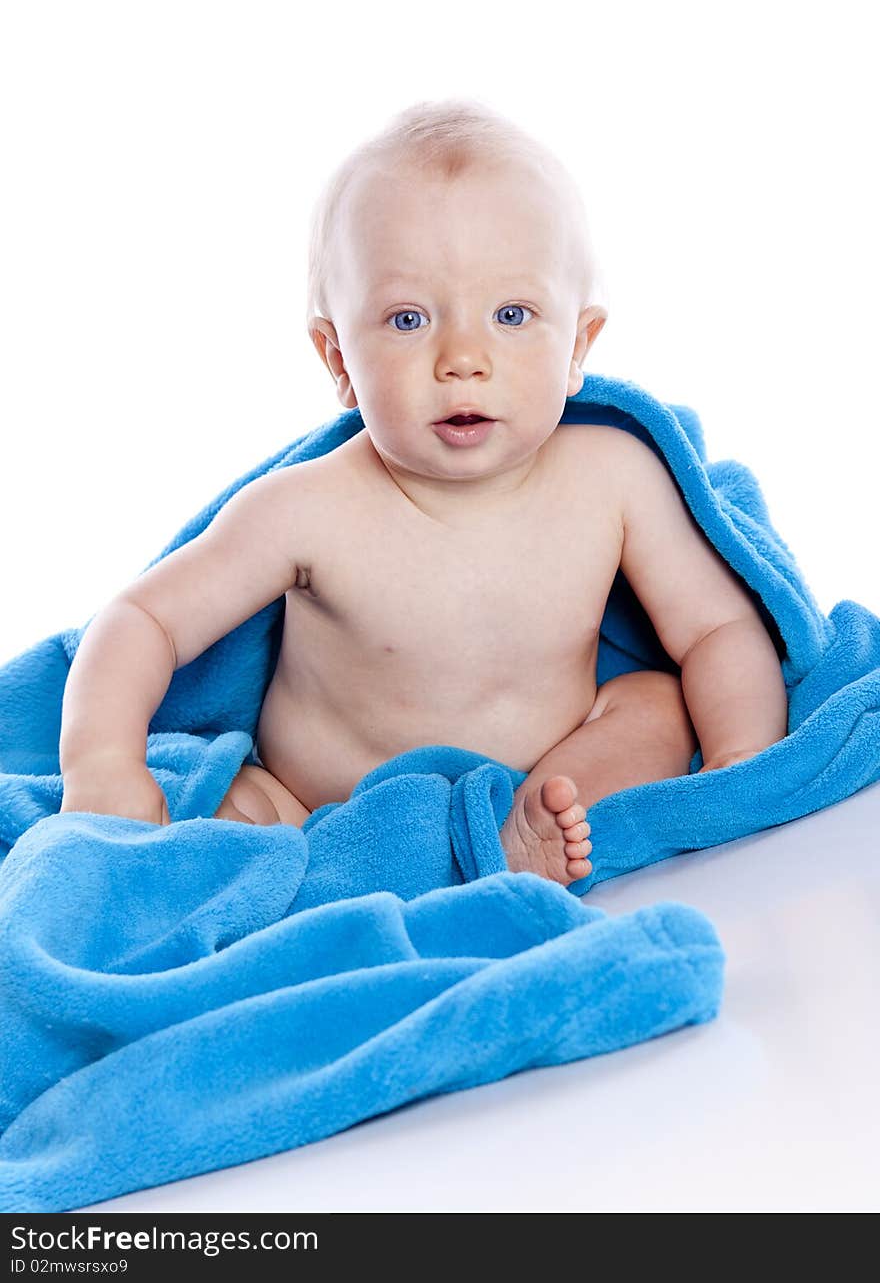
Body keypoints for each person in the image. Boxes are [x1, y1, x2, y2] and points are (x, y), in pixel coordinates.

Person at [59, 98, 788, 886]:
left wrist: (742, 764)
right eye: (408, 319)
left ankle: (524, 840)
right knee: (230, 825)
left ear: (577, 346)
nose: (463, 357)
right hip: (314, 807)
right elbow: (144, 619)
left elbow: (717, 628)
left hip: (533, 780)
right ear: (337, 357)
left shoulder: (613, 479)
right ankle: (347, 874)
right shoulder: (304, 510)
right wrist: (101, 762)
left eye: (512, 314)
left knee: (655, 701)